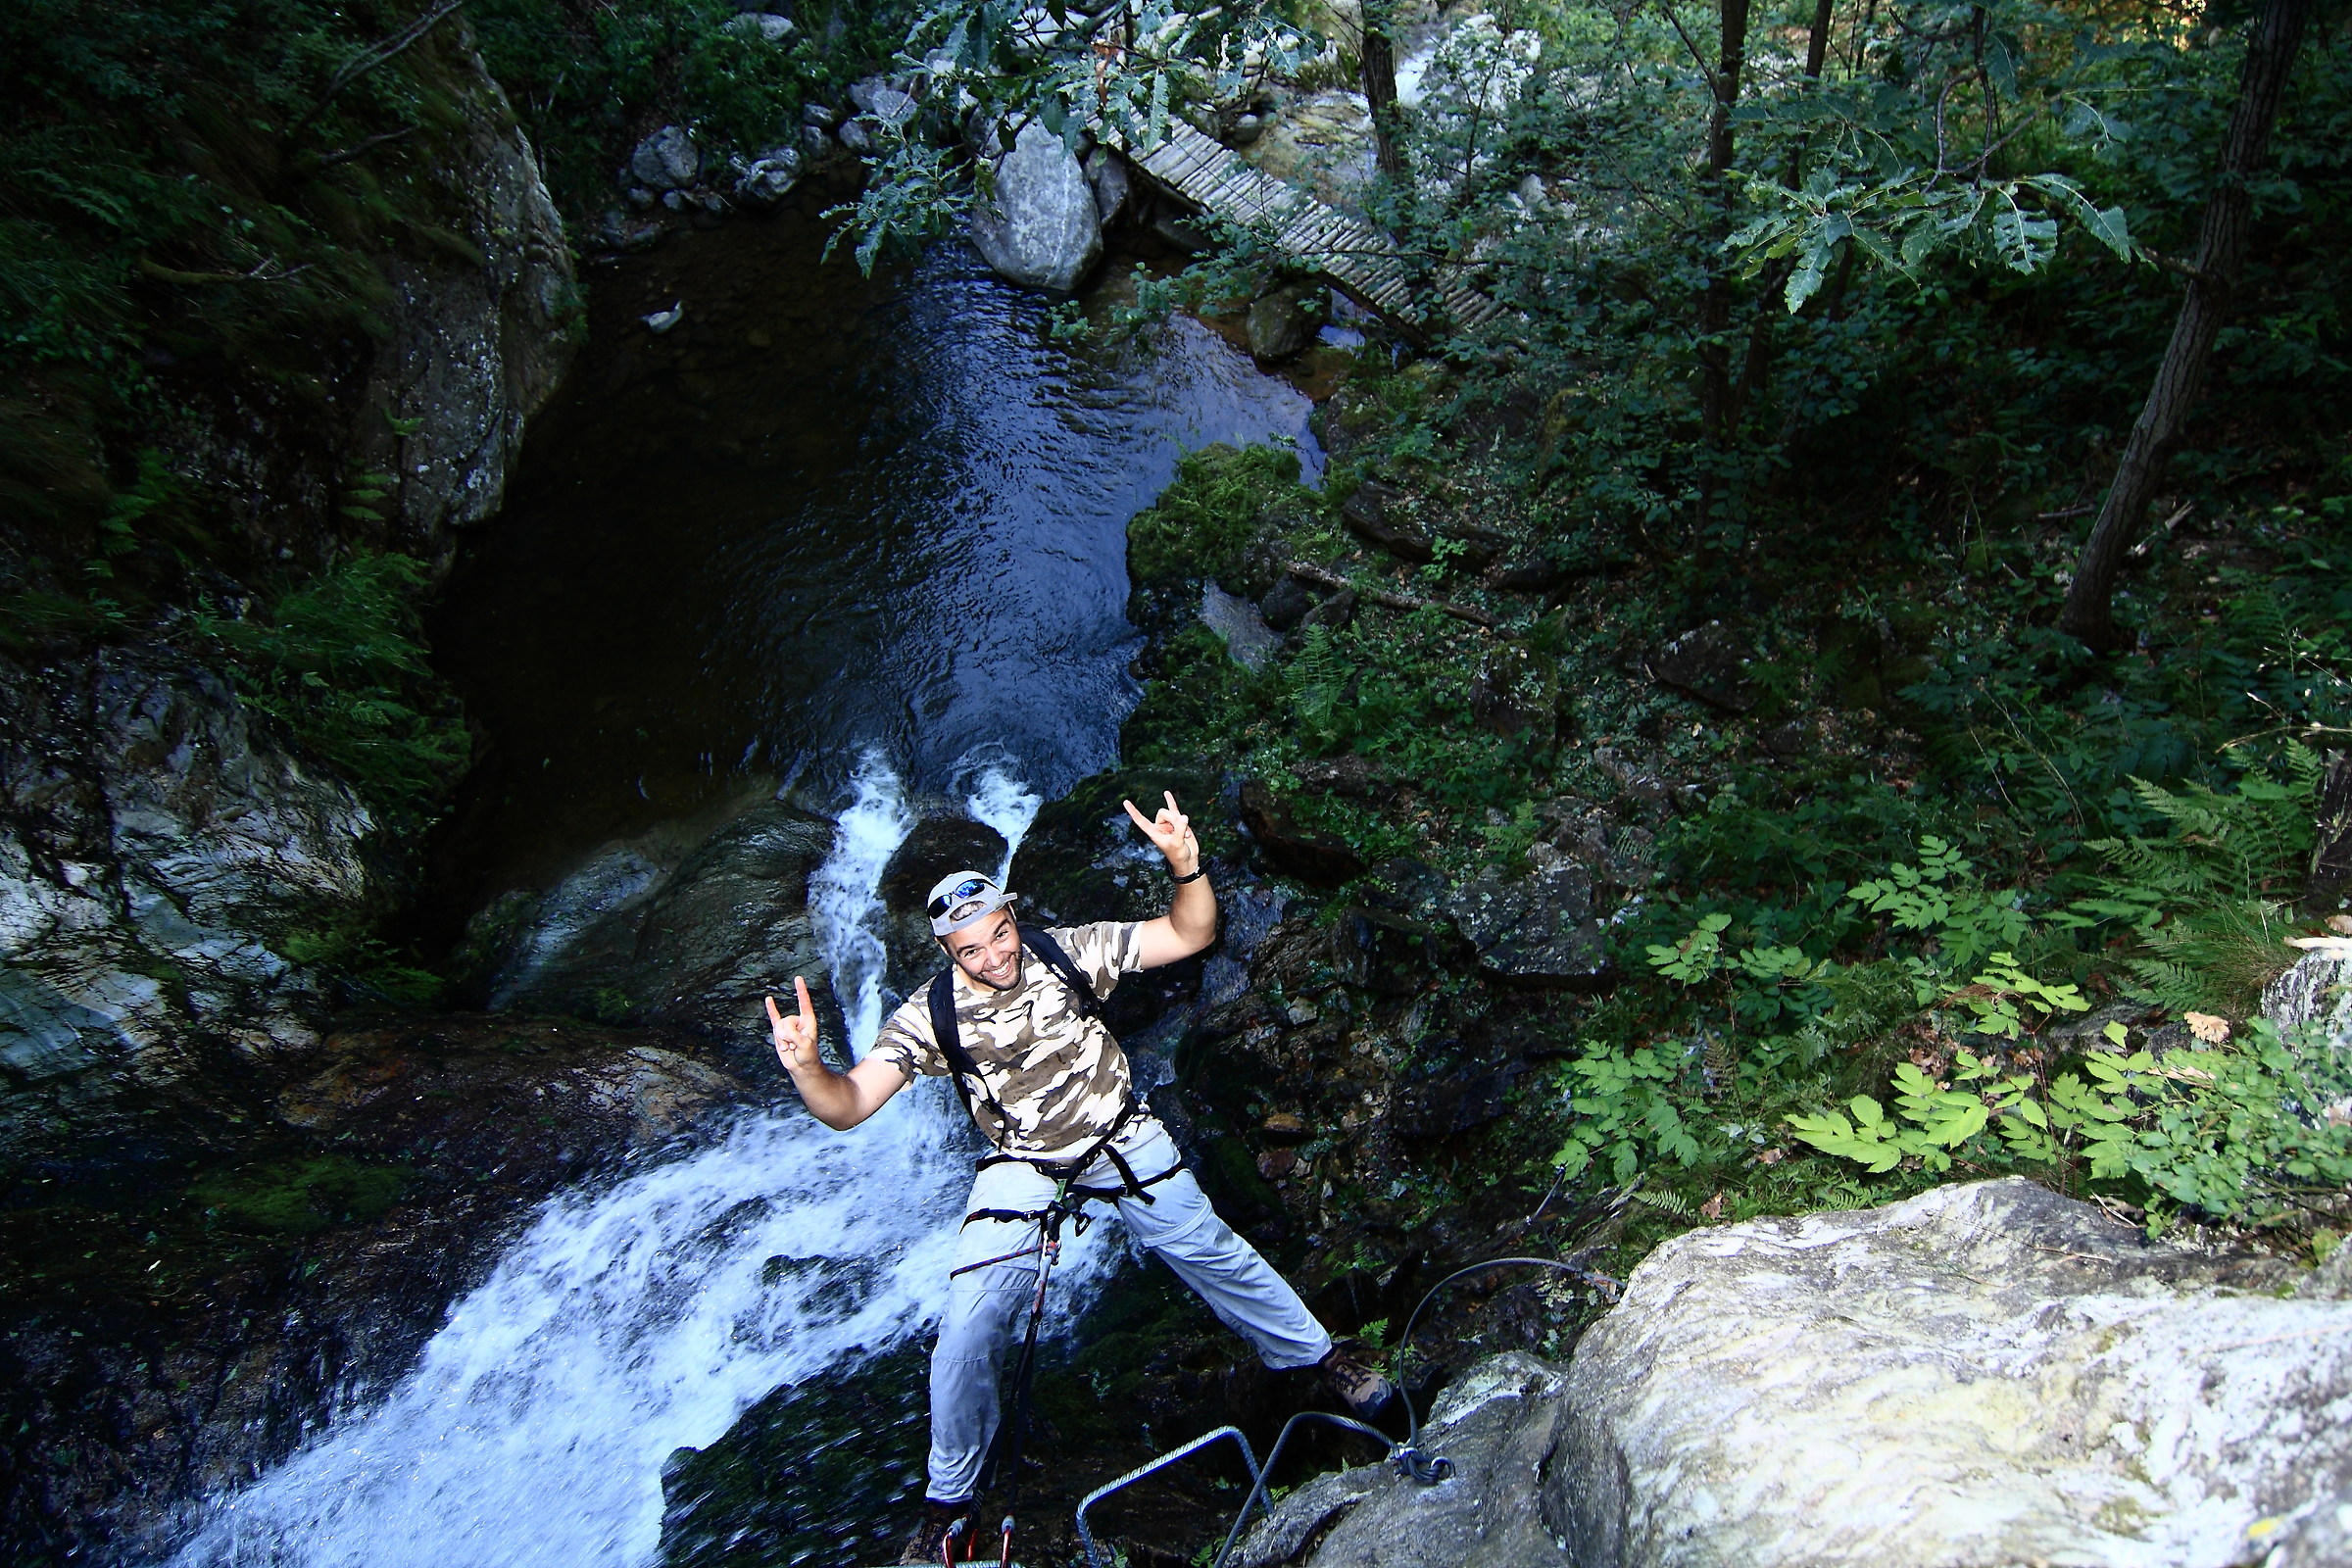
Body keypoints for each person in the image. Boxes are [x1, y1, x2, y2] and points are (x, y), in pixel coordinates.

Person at [764, 790, 1391, 1565]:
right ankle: (948, 1502)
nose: (994, 957)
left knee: (1210, 1250)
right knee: (965, 1326)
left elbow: (1191, 934)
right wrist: (808, 1068)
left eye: (999, 936)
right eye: (972, 950)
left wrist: (1185, 866)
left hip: (1118, 1130)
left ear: (1011, 918)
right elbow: (850, 1104)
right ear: (947, 952)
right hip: (1023, 1163)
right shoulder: (930, 1018)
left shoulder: (1068, 949)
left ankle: (1319, 1358)